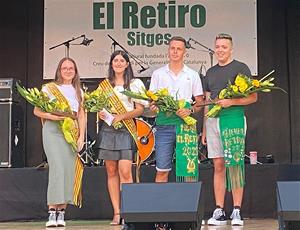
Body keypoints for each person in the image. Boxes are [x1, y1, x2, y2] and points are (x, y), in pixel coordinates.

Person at [201, 33, 258, 226]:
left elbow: (253, 98)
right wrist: (204, 129)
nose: (220, 50)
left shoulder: (241, 68)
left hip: (233, 119)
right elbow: (208, 102)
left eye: (224, 47)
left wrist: (231, 101)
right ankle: (219, 210)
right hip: (213, 122)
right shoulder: (210, 72)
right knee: (218, 165)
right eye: (217, 47)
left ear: (231, 49)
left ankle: (236, 210)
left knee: (234, 165)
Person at [33, 57, 86, 227]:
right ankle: (51, 212)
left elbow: (82, 115)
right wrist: (54, 116)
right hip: (53, 130)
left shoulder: (79, 91)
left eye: (71, 68)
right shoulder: (49, 88)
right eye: (65, 68)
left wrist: (81, 137)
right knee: (57, 168)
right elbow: (37, 110)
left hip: (71, 131)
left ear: (75, 71)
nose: (68, 70)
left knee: (68, 170)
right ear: (59, 70)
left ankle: (61, 212)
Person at [97, 50, 146, 227]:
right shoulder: (104, 86)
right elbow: (98, 106)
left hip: (126, 129)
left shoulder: (134, 83)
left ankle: (128, 211)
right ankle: (117, 212)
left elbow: (140, 109)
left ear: (127, 64)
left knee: (125, 171)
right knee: (111, 171)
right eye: (115, 60)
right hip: (108, 130)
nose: (118, 63)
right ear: (111, 64)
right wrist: (103, 114)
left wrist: (122, 116)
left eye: (121, 60)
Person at [149, 36, 204, 184]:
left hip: (185, 126)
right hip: (163, 126)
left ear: (184, 52)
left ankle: (188, 206)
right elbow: (152, 103)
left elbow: (200, 103)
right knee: (161, 170)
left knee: (189, 171)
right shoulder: (158, 74)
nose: (175, 52)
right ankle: (160, 206)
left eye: (179, 49)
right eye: (172, 48)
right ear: (168, 50)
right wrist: (153, 107)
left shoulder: (192, 75)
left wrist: (190, 111)